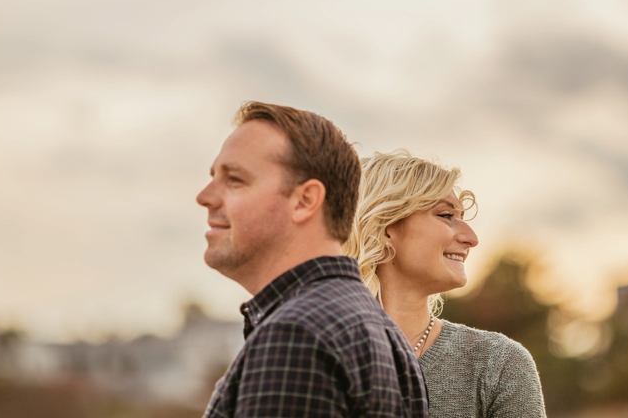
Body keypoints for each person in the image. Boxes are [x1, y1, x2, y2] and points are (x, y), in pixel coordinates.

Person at [196, 103, 429, 418]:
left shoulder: (296, 334)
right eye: (213, 177)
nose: (205, 196)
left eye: (234, 180)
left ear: (305, 201)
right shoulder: (387, 335)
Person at [344, 150, 547, 418]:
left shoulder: (497, 364)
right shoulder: (307, 355)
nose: (471, 238)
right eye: (446, 215)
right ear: (385, 228)